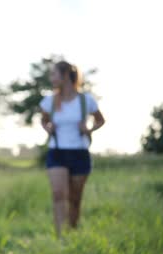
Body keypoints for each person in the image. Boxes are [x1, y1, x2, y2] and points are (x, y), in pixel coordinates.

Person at [39, 61, 105, 237]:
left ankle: (73, 232)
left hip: (79, 153)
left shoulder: (86, 100)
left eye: (54, 74)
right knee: (58, 194)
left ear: (66, 75)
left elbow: (100, 120)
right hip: (57, 152)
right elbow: (44, 120)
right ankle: (61, 237)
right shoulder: (49, 101)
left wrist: (89, 129)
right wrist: (48, 128)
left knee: (74, 200)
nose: (51, 78)